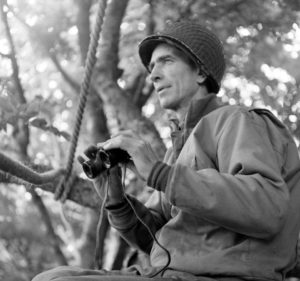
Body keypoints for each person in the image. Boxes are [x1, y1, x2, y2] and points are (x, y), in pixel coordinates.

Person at [32, 20, 300, 281]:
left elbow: (267, 208)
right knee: (52, 276)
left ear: (201, 72)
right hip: (168, 272)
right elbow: (157, 240)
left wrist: (160, 173)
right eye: (151, 66)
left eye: (167, 61)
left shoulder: (238, 119)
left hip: (225, 275)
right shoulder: (178, 151)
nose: (153, 74)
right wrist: (116, 200)